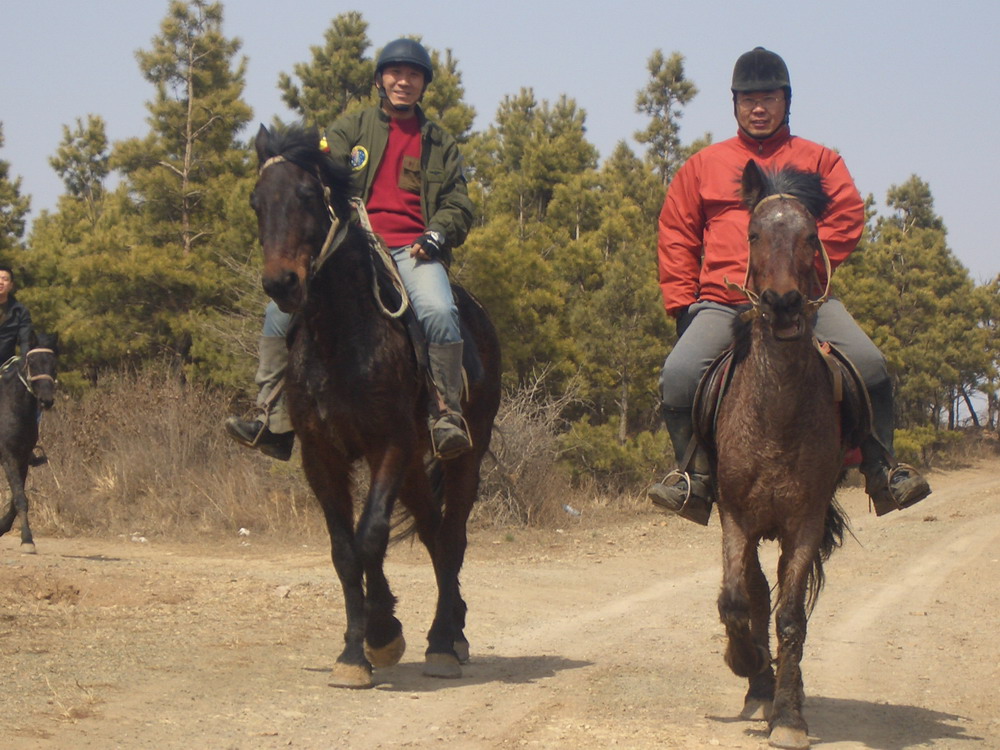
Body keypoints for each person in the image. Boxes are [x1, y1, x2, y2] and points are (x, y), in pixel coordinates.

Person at [647, 47, 930, 525]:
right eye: (748, 99)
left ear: (787, 101)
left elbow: (848, 215)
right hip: (725, 302)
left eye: (770, 98)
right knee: (677, 376)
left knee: (871, 365)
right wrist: (682, 308)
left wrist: (806, 268)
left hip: (806, 302)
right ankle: (693, 478)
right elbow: (676, 234)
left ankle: (883, 471)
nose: (759, 108)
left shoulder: (818, 159)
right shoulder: (703, 166)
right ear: (734, 104)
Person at [225, 38, 475, 461]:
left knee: (438, 310)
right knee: (277, 310)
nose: (404, 81)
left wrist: (438, 233)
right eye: (395, 73)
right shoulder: (349, 130)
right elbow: (316, 173)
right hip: (356, 246)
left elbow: (459, 202)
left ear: (423, 85)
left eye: (414, 74)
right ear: (380, 80)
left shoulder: (439, 142)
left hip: (414, 251)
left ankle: (445, 415)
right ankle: (270, 416)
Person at [0, 265, 33, 364]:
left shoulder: (20, 311)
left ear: (11, 285)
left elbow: (25, 341)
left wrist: (25, 361)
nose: (0, 282)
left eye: (5, 279)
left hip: (6, 367)